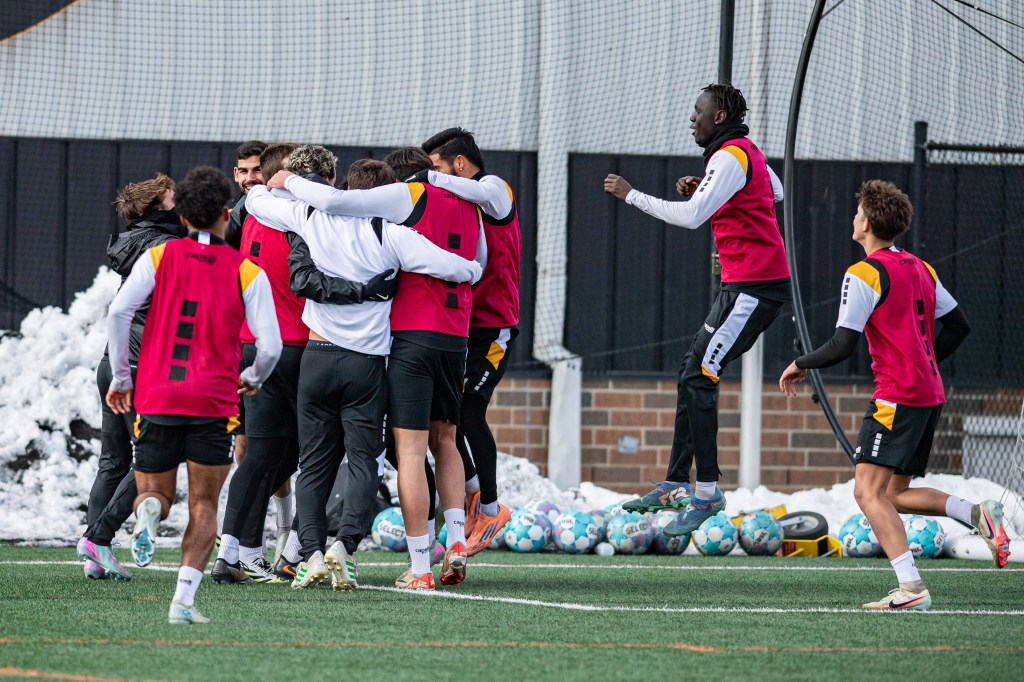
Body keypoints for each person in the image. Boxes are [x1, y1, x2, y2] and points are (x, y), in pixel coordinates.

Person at [250, 157, 482, 590]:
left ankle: (310, 554)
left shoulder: (310, 218)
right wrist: (475, 268)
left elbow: (257, 202)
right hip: (367, 365)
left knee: (313, 464)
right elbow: (453, 266)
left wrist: (279, 183)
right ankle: (344, 546)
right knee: (364, 462)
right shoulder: (391, 233)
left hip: (317, 357)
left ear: (348, 188)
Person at [780, 180, 1008, 610]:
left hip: (896, 397)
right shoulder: (922, 268)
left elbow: (842, 344)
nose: (853, 218)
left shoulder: (863, 273)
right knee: (894, 494)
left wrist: (801, 363)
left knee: (866, 492)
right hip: (928, 394)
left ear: (866, 223)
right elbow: (959, 326)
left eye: (857, 212)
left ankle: (912, 589)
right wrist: (923, 361)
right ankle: (976, 513)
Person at [604, 83, 789, 535]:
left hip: (755, 289)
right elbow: (775, 192)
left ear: (719, 116)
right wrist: (712, 189)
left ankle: (706, 493)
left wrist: (631, 195)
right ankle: (674, 482)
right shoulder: (744, 153)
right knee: (691, 370)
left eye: (698, 111)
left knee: (700, 375)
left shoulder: (729, 157)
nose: (692, 118)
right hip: (744, 286)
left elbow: (691, 217)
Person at [106, 166, 282, 624]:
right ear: (226, 214)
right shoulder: (247, 270)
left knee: (155, 492)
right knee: (203, 506)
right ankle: (182, 602)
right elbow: (271, 346)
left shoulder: (158, 256)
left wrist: (122, 377)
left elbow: (119, 312)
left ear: (182, 217)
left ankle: (148, 512)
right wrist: (255, 375)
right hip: (213, 402)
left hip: (158, 395)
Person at [77, 173, 185, 580]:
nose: (182, 202)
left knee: (113, 461)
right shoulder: (169, 246)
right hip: (142, 369)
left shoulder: (136, 241)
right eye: (174, 197)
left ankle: (95, 555)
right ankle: (99, 538)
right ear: (159, 206)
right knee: (153, 459)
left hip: (114, 363)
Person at [421, 127, 520, 555]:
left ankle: (492, 508)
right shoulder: (457, 203)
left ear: (459, 164)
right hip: (460, 327)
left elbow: (477, 190)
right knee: (445, 419)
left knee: (469, 412)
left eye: (438, 167)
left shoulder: (494, 189)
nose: (433, 176)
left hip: (495, 328)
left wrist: (424, 178)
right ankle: (476, 492)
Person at [227, 140, 267, 249]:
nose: (250, 178)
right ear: (236, 174)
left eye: (258, 170)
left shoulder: (288, 213)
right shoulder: (228, 216)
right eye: (244, 171)